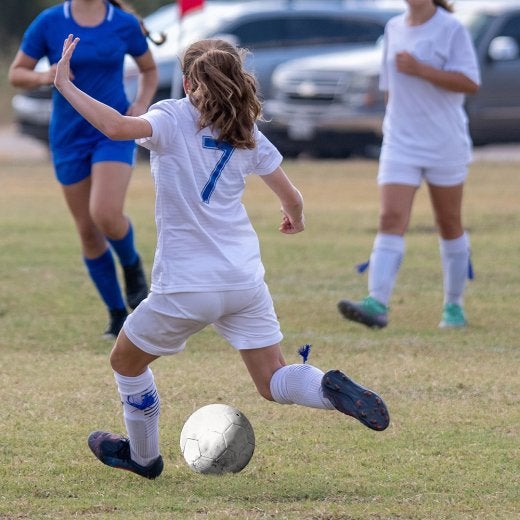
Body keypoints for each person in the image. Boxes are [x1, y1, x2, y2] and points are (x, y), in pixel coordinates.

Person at [54, 36, 390, 479]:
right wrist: (295, 218)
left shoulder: (172, 116)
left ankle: (143, 457)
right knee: (273, 379)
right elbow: (292, 197)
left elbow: (117, 127)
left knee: (125, 362)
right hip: (243, 281)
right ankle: (328, 388)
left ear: (189, 80)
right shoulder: (246, 129)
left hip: (186, 287)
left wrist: (65, 85)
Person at [8, 0, 159, 338]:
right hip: (68, 137)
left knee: (105, 213)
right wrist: (45, 75)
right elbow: (16, 73)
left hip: (113, 131)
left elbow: (149, 69)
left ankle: (132, 265)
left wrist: (141, 104)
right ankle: (117, 313)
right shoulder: (48, 22)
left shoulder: (122, 23)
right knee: (88, 231)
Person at [338, 0, 480, 330]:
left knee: (448, 222)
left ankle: (454, 306)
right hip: (401, 142)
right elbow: (390, 89)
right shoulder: (394, 27)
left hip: (444, 141)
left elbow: (470, 83)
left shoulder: (451, 28)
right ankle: (377, 303)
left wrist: (422, 69)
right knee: (390, 217)